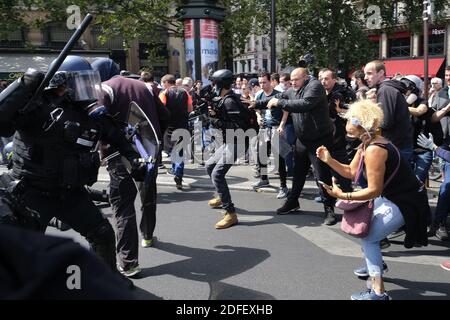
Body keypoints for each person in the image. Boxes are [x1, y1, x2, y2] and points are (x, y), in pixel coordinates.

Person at [0, 56, 146, 272]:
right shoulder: (37, 106)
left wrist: (134, 158)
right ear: (61, 83)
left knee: (102, 234)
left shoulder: (91, 113)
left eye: (90, 82)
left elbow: (116, 136)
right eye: (81, 82)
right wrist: (21, 86)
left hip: (70, 193)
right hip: (31, 192)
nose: (87, 88)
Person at [316, 99, 429, 300]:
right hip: (396, 197)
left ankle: (378, 293)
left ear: (362, 126)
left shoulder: (374, 149)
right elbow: (351, 172)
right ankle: (376, 264)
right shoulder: (368, 143)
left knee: (369, 238)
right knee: (367, 233)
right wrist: (329, 160)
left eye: (351, 127)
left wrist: (342, 195)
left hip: (406, 202)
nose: (348, 132)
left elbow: (374, 190)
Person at [92, 57, 170, 277]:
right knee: (148, 196)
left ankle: (129, 263)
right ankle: (147, 235)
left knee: (123, 207)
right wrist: (154, 143)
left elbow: (97, 121)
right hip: (148, 150)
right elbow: (165, 115)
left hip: (119, 155)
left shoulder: (105, 88)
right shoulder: (145, 86)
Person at [261, 67, 337, 225]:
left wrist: (279, 102)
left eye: (296, 79)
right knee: (298, 173)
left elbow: (305, 104)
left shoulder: (314, 86)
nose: (292, 82)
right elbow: (276, 97)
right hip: (302, 140)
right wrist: (256, 103)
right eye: (291, 80)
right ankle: (293, 201)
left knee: (322, 176)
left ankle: (329, 208)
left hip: (319, 140)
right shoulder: (291, 90)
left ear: (306, 77)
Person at [206, 69, 251, 229]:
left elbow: (239, 126)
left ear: (221, 84)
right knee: (210, 166)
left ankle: (230, 214)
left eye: (214, 83)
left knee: (218, 174)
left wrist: (217, 122)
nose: (212, 86)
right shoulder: (224, 99)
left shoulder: (229, 101)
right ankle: (221, 195)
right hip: (229, 141)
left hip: (237, 142)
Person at [364, 60, 413, 162]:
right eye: (365, 74)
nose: (365, 77)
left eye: (369, 73)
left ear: (381, 73)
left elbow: (385, 122)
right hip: (398, 145)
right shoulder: (386, 89)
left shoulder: (385, 90)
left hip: (397, 147)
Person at [159, 74, 190, 190]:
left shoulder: (164, 94)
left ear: (167, 82)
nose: (162, 86)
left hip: (169, 126)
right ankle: (177, 172)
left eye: (163, 83)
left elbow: (161, 109)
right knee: (179, 151)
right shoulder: (185, 93)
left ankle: (176, 171)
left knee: (172, 150)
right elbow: (190, 109)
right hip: (182, 125)